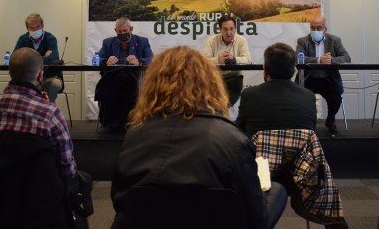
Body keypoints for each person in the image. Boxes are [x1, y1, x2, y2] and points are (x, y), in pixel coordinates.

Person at [110, 46, 287, 229]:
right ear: (210, 83)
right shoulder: (232, 140)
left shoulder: (134, 135)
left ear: (152, 85)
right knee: (277, 190)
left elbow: (120, 201)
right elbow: (256, 219)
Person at [0, 47, 92, 217]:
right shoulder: (50, 113)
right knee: (85, 179)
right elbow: (66, 165)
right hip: (38, 194)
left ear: (10, 73)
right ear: (40, 75)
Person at [236, 42, 317, 138]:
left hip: (257, 152)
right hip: (298, 152)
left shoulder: (249, 95)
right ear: (293, 70)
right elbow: (312, 130)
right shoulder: (308, 96)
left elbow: (239, 131)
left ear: (265, 69)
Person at [95, 16, 153, 131]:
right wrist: (106, 61)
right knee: (106, 88)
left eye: (125, 31)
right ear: (115, 31)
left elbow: (150, 58)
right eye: (119, 31)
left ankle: (131, 120)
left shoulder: (142, 41)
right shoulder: (108, 43)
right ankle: (111, 121)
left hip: (133, 77)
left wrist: (139, 61)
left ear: (131, 29)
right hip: (113, 77)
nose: (122, 33)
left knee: (133, 88)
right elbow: (97, 59)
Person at [296, 17, 351, 134]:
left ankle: (330, 120)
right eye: (313, 28)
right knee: (302, 99)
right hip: (308, 78)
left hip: (328, 79)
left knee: (336, 98)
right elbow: (298, 58)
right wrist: (319, 60)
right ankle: (308, 123)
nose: (315, 30)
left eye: (319, 28)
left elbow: (346, 58)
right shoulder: (303, 41)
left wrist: (332, 60)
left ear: (325, 29)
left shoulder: (335, 40)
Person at [203, 14, 252, 108]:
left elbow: (248, 59)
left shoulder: (241, 40)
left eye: (231, 29)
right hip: (215, 78)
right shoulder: (211, 41)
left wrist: (234, 59)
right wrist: (218, 60)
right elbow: (204, 61)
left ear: (235, 29)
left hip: (234, 78)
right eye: (225, 29)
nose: (229, 32)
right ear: (220, 29)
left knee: (232, 88)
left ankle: (223, 109)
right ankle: (220, 110)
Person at [14, 13, 63, 103]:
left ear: (42, 26)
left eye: (38, 27)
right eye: (32, 28)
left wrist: (28, 58)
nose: (35, 30)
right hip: (28, 78)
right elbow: (15, 59)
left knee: (53, 85)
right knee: (16, 86)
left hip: (50, 76)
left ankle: (47, 112)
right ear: (27, 28)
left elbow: (52, 59)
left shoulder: (51, 39)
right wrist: (43, 57)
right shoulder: (22, 39)